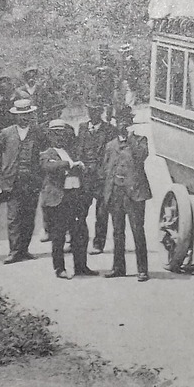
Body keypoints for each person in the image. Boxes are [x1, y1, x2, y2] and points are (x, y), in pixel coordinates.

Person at [101, 110, 152, 281]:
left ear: (131, 123)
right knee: (117, 232)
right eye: (119, 122)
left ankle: (142, 269)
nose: (122, 125)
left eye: (126, 122)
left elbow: (141, 156)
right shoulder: (110, 146)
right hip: (116, 193)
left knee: (138, 231)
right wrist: (107, 194)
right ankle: (118, 267)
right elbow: (107, 171)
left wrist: (130, 138)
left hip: (135, 194)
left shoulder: (140, 141)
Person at [41, 118, 95, 279]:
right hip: (59, 199)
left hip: (75, 196)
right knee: (58, 235)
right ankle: (59, 268)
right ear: (50, 136)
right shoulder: (47, 153)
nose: (60, 137)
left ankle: (81, 266)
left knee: (80, 233)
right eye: (56, 134)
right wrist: (70, 165)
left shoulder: (72, 151)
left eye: (62, 134)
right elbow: (49, 167)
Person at [0, 97, 44, 263]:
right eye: (21, 115)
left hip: (32, 181)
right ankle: (14, 251)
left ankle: (24, 250)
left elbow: (46, 152)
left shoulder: (38, 132)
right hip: (12, 181)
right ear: (15, 116)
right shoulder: (6, 133)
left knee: (29, 215)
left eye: (27, 114)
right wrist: (1, 176)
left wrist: (42, 174)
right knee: (13, 217)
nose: (24, 118)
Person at [76, 101, 115, 255]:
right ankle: (77, 242)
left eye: (96, 111)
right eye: (90, 110)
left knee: (101, 213)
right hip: (85, 177)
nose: (93, 114)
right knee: (80, 212)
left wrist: (104, 172)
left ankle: (98, 244)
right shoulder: (83, 128)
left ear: (101, 112)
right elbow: (78, 150)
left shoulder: (110, 130)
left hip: (101, 178)